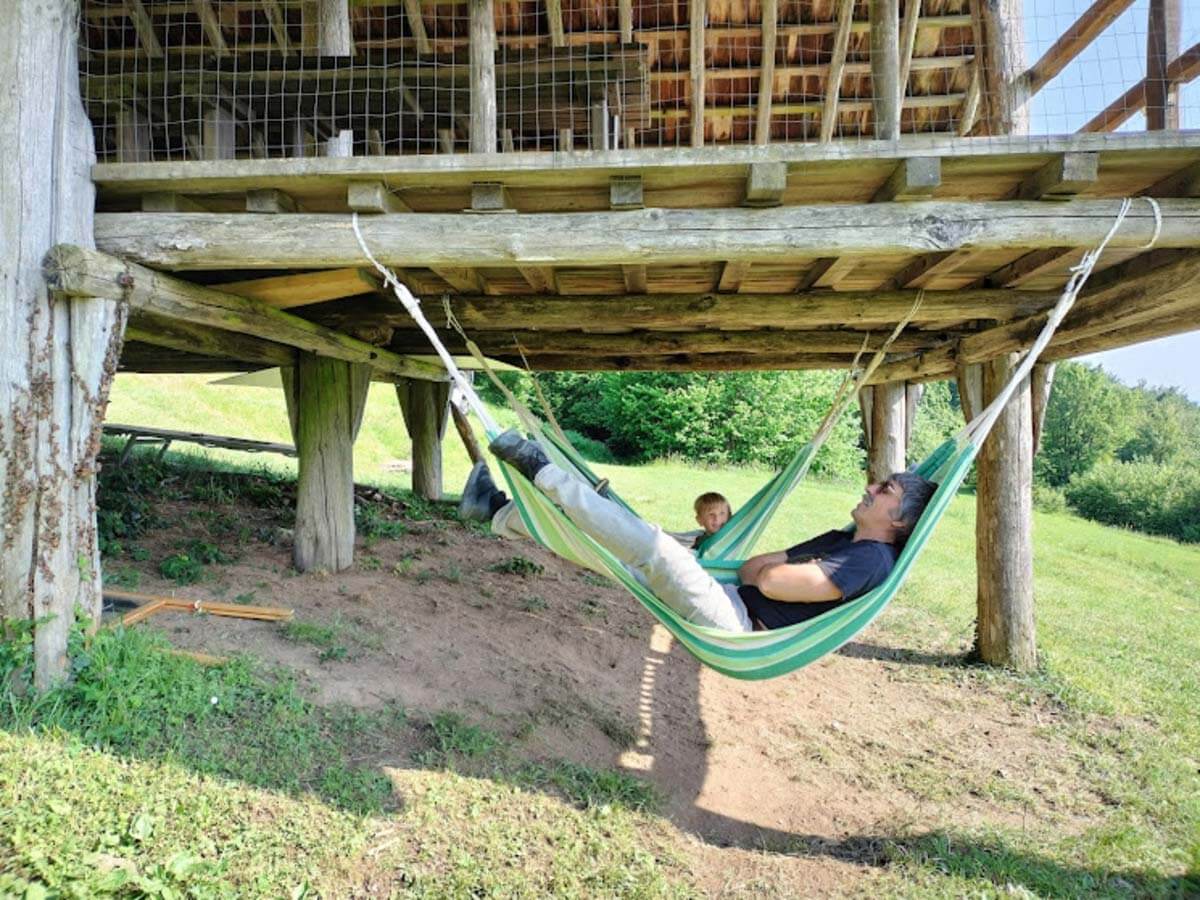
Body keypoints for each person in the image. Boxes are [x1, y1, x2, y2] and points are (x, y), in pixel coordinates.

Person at [459, 429, 936, 633]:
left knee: (653, 545)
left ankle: (542, 471)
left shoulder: (869, 560)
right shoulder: (841, 541)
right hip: (726, 594)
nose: (871, 487)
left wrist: (769, 574)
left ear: (899, 520)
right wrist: (769, 573)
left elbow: (769, 578)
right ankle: (496, 511)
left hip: (735, 625)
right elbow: (753, 569)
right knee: (607, 550)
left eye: (885, 490)